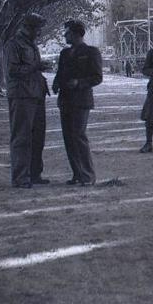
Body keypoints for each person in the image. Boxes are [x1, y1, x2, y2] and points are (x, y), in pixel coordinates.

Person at [52, 20, 103, 186]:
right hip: (65, 100)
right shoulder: (64, 54)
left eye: (67, 32)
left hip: (81, 100)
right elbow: (60, 73)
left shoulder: (91, 52)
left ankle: (88, 175)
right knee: (68, 138)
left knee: (79, 136)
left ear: (76, 33)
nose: (65, 35)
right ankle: (77, 174)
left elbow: (97, 77)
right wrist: (55, 84)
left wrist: (79, 83)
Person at [5, 13, 52, 189]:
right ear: (29, 28)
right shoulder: (13, 45)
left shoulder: (31, 45)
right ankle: (20, 177)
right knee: (22, 137)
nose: (39, 33)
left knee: (38, 137)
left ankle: (34, 174)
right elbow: (12, 70)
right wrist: (36, 66)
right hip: (21, 95)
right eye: (38, 29)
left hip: (36, 94)